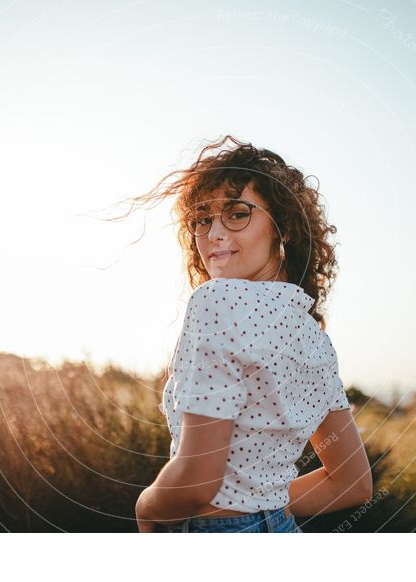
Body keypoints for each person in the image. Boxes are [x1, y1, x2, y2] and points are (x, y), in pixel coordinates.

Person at [132, 135, 372, 533]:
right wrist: (265, 510)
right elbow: (352, 484)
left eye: (237, 213)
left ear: (285, 228)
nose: (214, 233)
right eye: (202, 219)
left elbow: (196, 483)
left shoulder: (217, 300)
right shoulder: (313, 335)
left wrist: (146, 507)